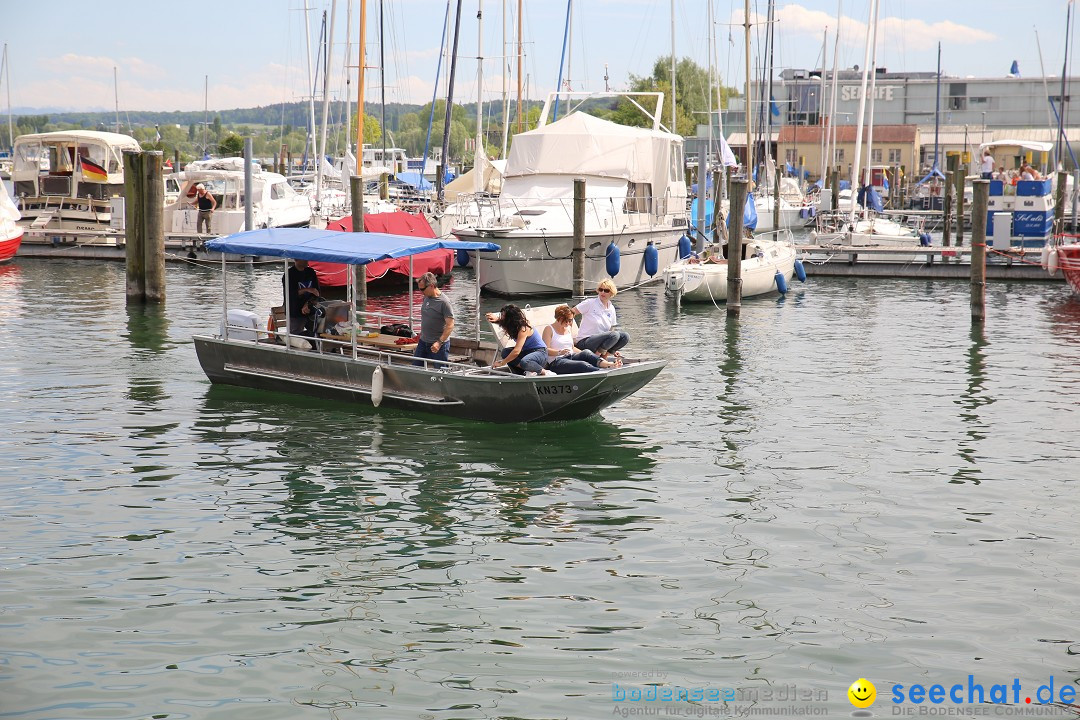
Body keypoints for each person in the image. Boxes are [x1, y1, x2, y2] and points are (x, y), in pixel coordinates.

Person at [542, 305, 619, 374]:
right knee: (582, 364)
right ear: (559, 318)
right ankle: (600, 372)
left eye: (571, 320)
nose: (569, 323)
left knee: (587, 352)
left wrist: (586, 354)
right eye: (567, 320)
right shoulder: (549, 329)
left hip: (571, 356)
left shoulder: (568, 328)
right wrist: (559, 352)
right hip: (556, 362)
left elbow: (572, 348)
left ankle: (610, 365)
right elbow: (546, 350)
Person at [485, 304, 552, 375]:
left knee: (525, 361)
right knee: (505, 352)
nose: (502, 318)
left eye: (504, 316)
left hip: (540, 353)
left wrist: (502, 363)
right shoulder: (513, 327)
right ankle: (528, 370)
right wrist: (496, 319)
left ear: (511, 319)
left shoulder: (524, 328)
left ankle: (544, 372)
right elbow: (502, 322)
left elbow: (516, 351)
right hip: (527, 352)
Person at [571, 279, 629, 358]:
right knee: (614, 335)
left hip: (602, 342)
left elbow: (611, 330)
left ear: (611, 293)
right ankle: (596, 357)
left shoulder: (611, 308)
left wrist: (613, 347)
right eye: (600, 290)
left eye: (606, 290)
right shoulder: (590, 303)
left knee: (625, 336)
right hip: (585, 341)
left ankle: (604, 355)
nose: (602, 292)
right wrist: (567, 330)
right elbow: (571, 312)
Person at [413, 272, 455, 366]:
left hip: (439, 345)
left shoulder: (444, 302)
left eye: (422, 289)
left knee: (441, 372)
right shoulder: (426, 298)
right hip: (423, 342)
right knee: (415, 369)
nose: (421, 291)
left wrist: (439, 343)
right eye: (419, 289)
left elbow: (450, 325)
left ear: (431, 286)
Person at [282, 258, 322, 334]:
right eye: (304, 259)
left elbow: (317, 292)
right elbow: (290, 294)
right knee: (295, 335)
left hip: (310, 309)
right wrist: (307, 289)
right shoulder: (289, 274)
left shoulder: (310, 272)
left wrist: (308, 303)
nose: (307, 260)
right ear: (296, 259)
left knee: (318, 332)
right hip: (295, 311)